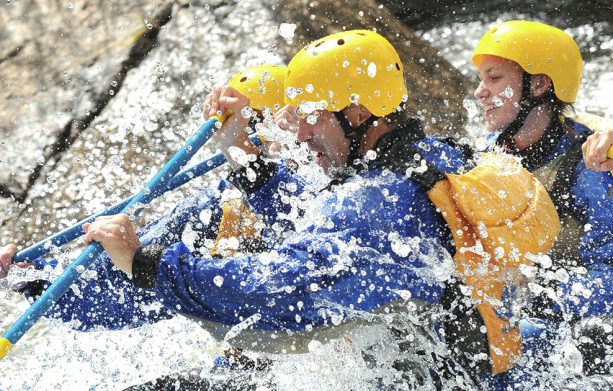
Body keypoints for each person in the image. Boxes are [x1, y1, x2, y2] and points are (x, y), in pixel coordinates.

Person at [1, 30, 550, 389]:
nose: (299, 129)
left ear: (358, 112)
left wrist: (146, 264)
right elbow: (303, 222)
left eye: (310, 114)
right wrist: (27, 281)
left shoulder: (375, 202)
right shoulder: (419, 163)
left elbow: (276, 290)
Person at [472, 20, 613, 376]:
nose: (479, 92)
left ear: (538, 84)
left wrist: (543, 290)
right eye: (480, 79)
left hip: (568, 323)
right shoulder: (482, 158)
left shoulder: (590, 167)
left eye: (493, 78)